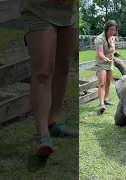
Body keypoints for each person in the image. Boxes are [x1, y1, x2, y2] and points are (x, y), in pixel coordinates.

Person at [20, 0, 78, 157]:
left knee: (63, 68)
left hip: (69, 10)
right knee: (43, 71)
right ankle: (42, 134)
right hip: (39, 8)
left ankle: (53, 122)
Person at [94, 20, 120, 112]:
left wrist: (116, 53)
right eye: (111, 29)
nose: (112, 32)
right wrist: (105, 59)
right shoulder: (99, 39)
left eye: (114, 30)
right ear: (106, 29)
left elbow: (113, 50)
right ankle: (101, 104)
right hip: (101, 63)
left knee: (108, 82)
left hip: (109, 63)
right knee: (102, 83)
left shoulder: (112, 38)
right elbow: (100, 53)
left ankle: (106, 99)